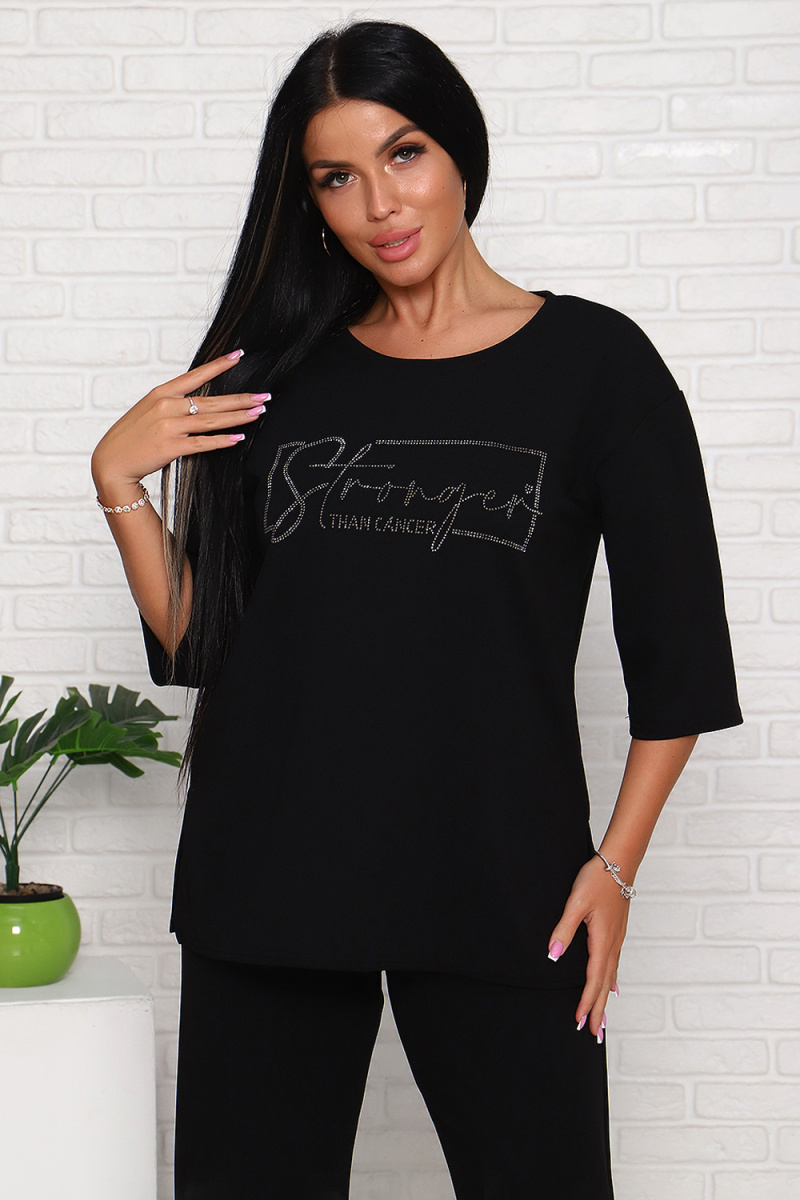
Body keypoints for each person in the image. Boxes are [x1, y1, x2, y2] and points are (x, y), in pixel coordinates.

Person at [91, 19, 743, 1199]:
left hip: (500, 874)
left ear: (457, 151)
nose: (378, 203)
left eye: (402, 154)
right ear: (309, 200)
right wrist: (118, 483)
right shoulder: (277, 376)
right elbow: (205, 646)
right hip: (270, 873)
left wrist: (612, 869)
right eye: (335, 177)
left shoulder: (597, 366)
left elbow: (678, 659)